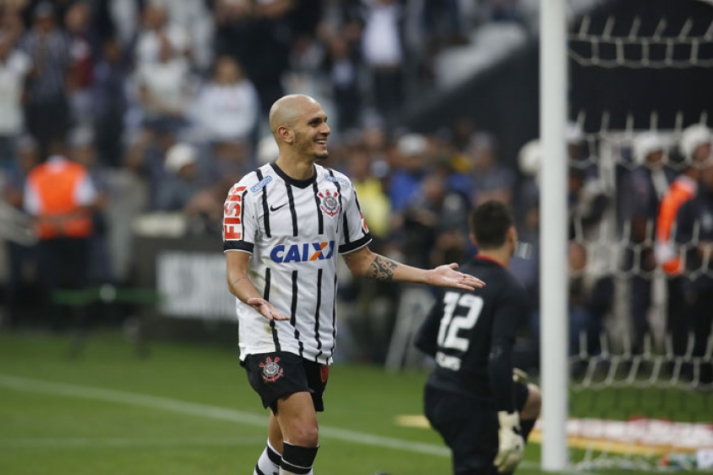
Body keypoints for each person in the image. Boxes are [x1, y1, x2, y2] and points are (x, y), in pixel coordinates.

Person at [222, 94, 485, 475]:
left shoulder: (338, 188)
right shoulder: (249, 193)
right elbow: (236, 273)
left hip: (317, 336)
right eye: (314, 123)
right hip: (268, 334)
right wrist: (256, 302)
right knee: (306, 434)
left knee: (281, 442)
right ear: (286, 133)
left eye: (325, 120)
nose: (326, 129)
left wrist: (428, 274)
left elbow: (361, 261)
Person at [415, 200, 541, 475]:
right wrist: (508, 423)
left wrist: (461, 362)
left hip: (437, 391)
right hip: (469, 402)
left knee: (531, 398)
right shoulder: (510, 288)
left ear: (473, 239)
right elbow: (499, 357)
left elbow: (423, 340)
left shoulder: (458, 277)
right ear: (512, 235)